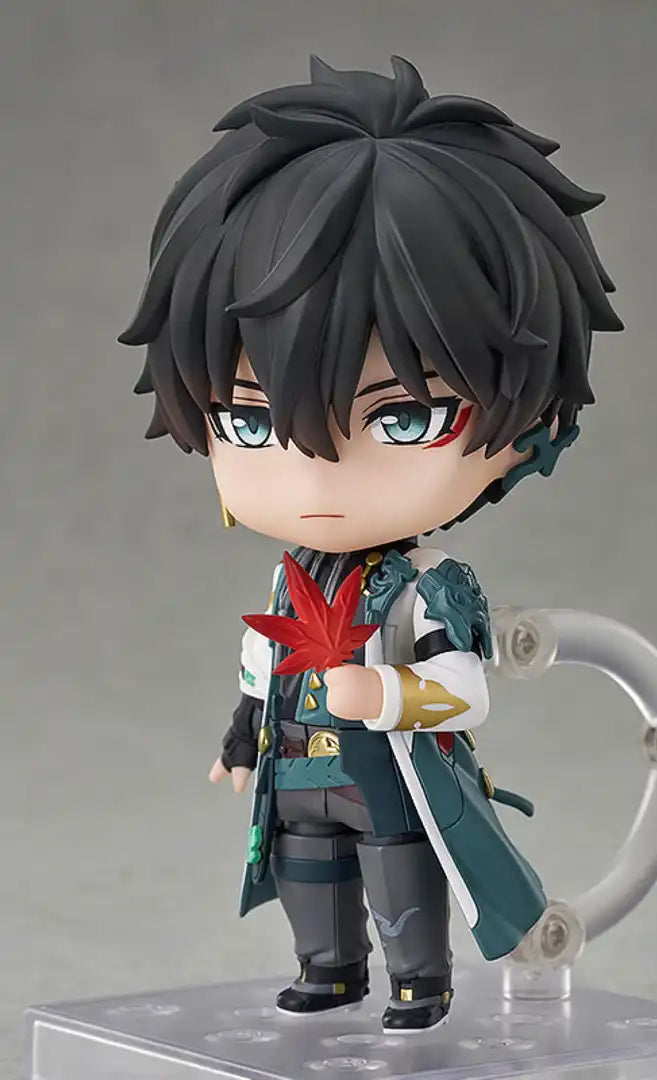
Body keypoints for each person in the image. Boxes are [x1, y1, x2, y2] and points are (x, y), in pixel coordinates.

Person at [119, 54, 622, 1034]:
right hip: (299, 775)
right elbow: (261, 668)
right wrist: (242, 733)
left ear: (522, 428)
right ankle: (327, 969)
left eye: (401, 419)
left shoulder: (426, 585)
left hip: (387, 776)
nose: (315, 477)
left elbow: (464, 691)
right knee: (305, 876)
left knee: (400, 877)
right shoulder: (288, 576)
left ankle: (416, 982)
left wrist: (382, 695)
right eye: (250, 421)